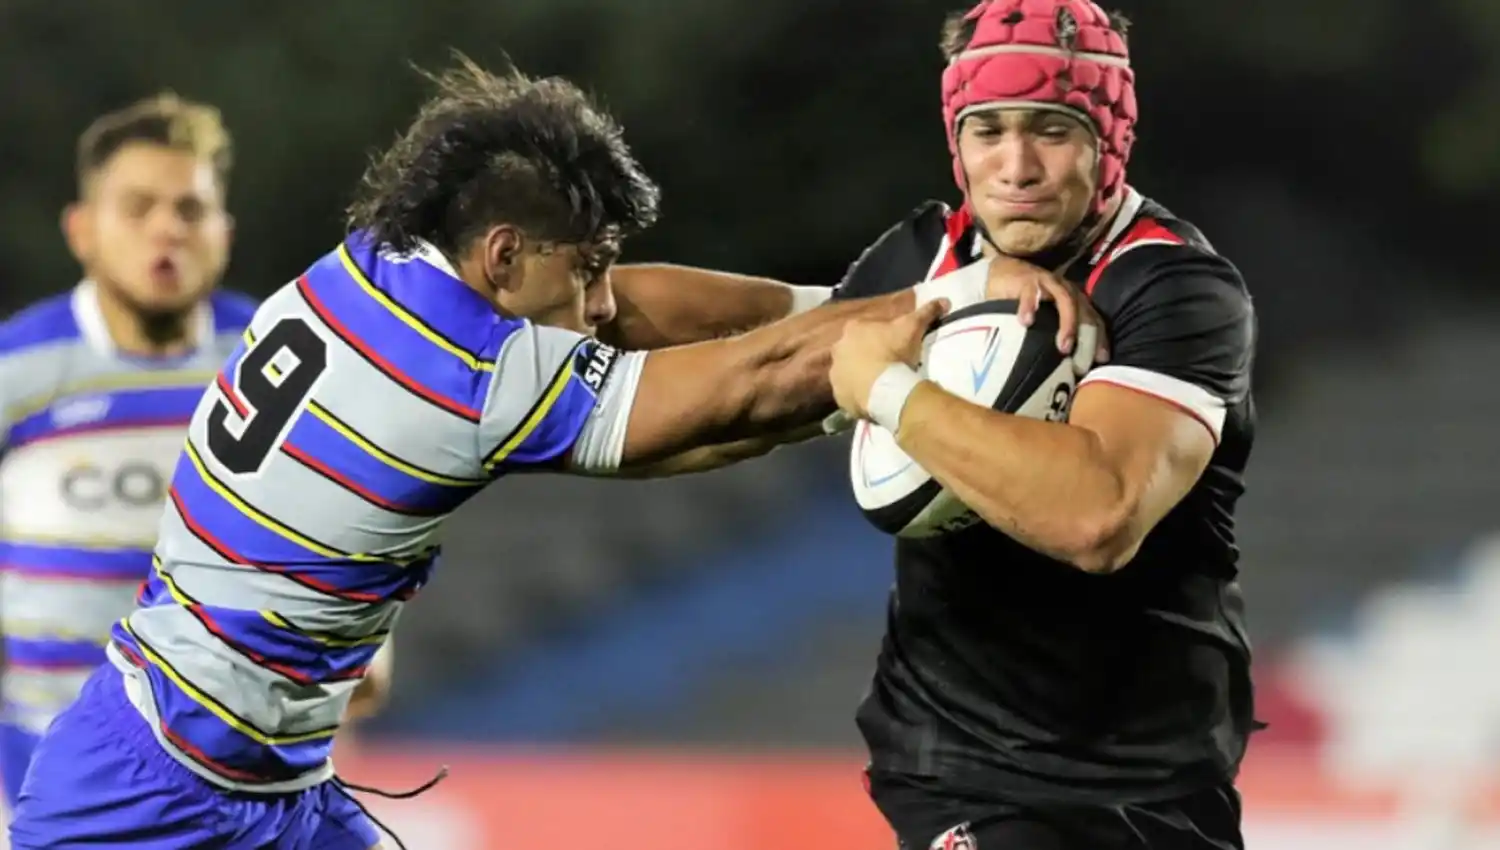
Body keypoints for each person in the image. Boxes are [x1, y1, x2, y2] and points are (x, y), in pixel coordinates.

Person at [8, 57, 1025, 850]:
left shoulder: (372, 266)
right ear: (503, 255)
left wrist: (828, 314)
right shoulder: (457, 380)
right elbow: (734, 396)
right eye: (582, 268)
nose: (596, 301)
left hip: (264, 783)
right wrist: (953, 307)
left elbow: (638, 317)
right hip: (144, 799)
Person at [604, 3, 1258, 848]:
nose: (1015, 165)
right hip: (965, 770)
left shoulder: (1174, 290)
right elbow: (768, 343)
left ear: (1110, 137)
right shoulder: (925, 262)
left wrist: (889, 391)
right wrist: (554, 307)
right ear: (958, 141)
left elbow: (1097, 515)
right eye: (987, 130)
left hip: (1159, 776)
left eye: (1051, 130)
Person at [0, 92, 259, 811]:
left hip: (233, 784)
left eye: (189, 210)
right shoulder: (14, 368)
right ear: (82, 230)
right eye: (138, 207)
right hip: (37, 776)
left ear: (224, 232)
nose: (166, 230)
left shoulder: (269, 362)